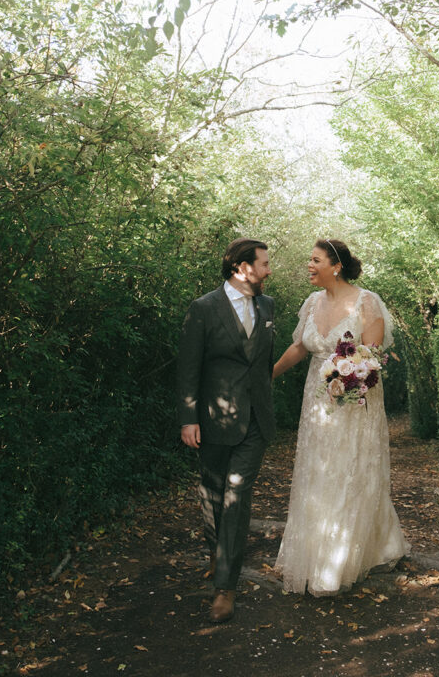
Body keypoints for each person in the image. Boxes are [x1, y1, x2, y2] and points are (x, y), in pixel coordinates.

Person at [272, 238, 409, 596]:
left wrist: (347, 379)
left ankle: (345, 558)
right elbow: (301, 347)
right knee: (317, 471)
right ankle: (313, 552)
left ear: (336, 265)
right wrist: (269, 373)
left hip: (354, 401)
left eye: (315, 260)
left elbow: (372, 355)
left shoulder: (367, 302)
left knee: (349, 469)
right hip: (314, 403)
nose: (309, 266)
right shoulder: (311, 302)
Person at [177, 237, 275, 624]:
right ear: (241, 268)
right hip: (214, 420)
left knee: (237, 493)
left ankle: (225, 588)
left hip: (256, 421)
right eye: (264, 264)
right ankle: (219, 555)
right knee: (213, 495)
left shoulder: (267, 306)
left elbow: (264, 362)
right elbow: (188, 367)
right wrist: (188, 418)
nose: (269, 270)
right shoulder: (203, 309)